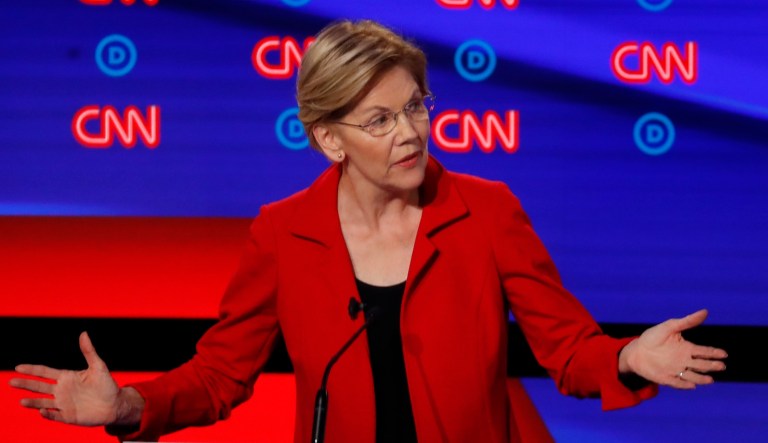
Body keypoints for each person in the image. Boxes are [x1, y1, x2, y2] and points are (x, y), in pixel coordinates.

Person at [10, 19, 727, 443]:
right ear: (329, 140)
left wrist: (629, 356)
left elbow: (566, 347)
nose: (412, 132)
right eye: (380, 120)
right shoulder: (282, 233)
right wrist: (131, 405)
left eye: (415, 107)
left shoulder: (487, 209)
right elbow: (222, 374)